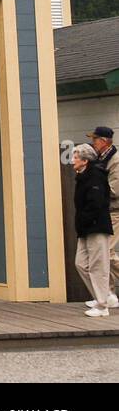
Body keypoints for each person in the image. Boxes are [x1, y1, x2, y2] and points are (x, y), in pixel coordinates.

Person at [71, 144, 114, 316]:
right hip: (85, 228)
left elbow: (96, 203)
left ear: (84, 160)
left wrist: (86, 220)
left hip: (96, 226)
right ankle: (103, 296)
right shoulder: (82, 176)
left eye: (75, 157)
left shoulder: (95, 176)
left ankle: (103, 306)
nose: (72, 160)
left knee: (98, 265)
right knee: (80, 263)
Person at [87, 126, 119, 294]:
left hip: (115, 212)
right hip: (105, 212)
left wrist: (96, 191)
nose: (93, 143)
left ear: (104, 142)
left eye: (95, 140)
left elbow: (116, 190)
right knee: (104, 253)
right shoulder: (100, 159)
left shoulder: (115, 160)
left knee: (107, 252)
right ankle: (108, 294)